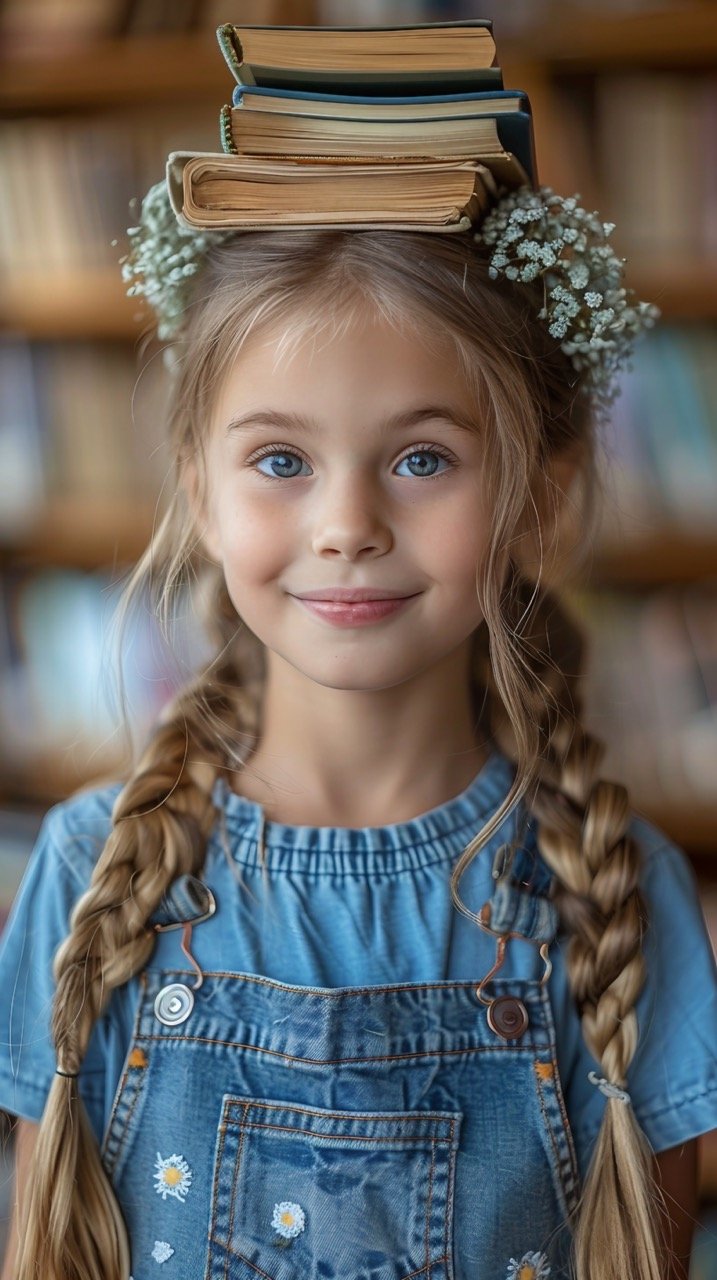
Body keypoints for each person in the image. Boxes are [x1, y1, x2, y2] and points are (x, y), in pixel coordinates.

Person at [0, 83, 716, 1280]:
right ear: (198, 484)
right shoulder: (84, 876)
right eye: (281, 458)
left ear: (538, 490)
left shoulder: (620, 899)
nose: (346, 524)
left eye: (422, 457)